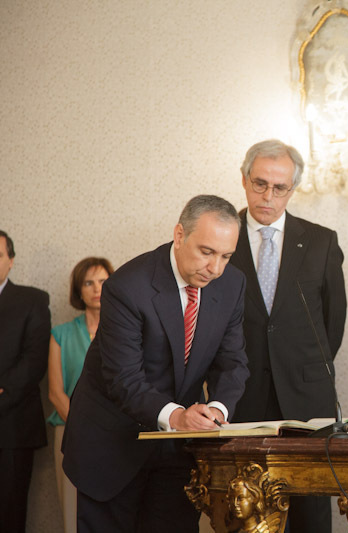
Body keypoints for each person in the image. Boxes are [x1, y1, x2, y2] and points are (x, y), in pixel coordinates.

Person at [62, 195, 250, 533]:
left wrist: (216, 410)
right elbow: (124, 379)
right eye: (207, 252)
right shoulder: (127, 286)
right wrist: (178, 416)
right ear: (179, 235)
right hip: (111, 442)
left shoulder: (232, 284)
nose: (216, 268)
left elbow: (233, 362)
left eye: (226, 256)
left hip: (175, 450)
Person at [228, 139, 347, 533]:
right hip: (239, 394)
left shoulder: (320, 240)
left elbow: (332, 322)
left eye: (280, 188)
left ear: (292, 190)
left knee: (310, 513)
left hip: (306, 396)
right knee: (244, 511)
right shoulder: (221, 239)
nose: (268, 196)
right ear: (244, 180)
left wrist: (304, 363)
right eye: (260, 183)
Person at [47, 256, 114, 533]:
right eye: (88, 282)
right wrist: (83, 428)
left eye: (102, 281)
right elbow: (55, 392)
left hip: (115, 435)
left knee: (115, 511)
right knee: (74, 511)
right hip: (70, 431)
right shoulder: (60, 334)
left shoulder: (126, 331)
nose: (96, 288)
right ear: (79, 289)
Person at [0, 230, 51, 533]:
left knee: (9, 513)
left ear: (11, 261)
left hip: (12, 426)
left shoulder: (32, 300)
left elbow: (34, 360)